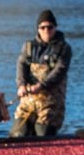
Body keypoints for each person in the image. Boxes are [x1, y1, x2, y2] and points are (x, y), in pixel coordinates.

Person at [10, 9, 73, 138]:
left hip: (51, 103)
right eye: (43, 27)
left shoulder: (64, 48)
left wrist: (41, 86)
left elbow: (59, 71)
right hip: (28, 102)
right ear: (38, 29)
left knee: (43, 133)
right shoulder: (28, 47)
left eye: (50, 27)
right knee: (18, 134)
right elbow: (21, 65)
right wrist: (21, 85)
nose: (46, 30)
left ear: (55, 28)